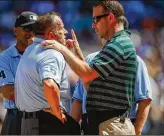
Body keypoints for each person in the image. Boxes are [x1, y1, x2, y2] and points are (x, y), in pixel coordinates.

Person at [41, 0, 137, 135]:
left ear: (110, 18)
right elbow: (90, 84)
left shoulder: (119, 44)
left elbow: (87, 74)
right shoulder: (115, 43)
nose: (93, 25)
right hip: (105, 124)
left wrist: (62, 49)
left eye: (96, 19)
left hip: (111, 125)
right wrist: (78, 56)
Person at [71, 17, 152, 135]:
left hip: (118, 123)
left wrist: (137, 131)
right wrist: (72, 130)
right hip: (89, 124)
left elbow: (144, 100)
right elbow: (78, 99)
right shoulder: (90, 59)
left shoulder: (136, 61)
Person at [14, 12, 80, 135]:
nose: (65, 32)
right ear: (51, 35)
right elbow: (49, 84)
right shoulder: (50, 53)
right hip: (47, 124)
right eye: (61, 29)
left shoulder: (29, 50)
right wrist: (57, 112)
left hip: (29, 124)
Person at [0, 11, 38, 135]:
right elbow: (9, 92)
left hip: (43, 119)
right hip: (16, 119)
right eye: (27, 28)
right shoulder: (3, 58)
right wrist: (43, 88)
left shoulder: (44, 55)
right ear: (15, 31)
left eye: (35, 29)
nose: (31, 32)